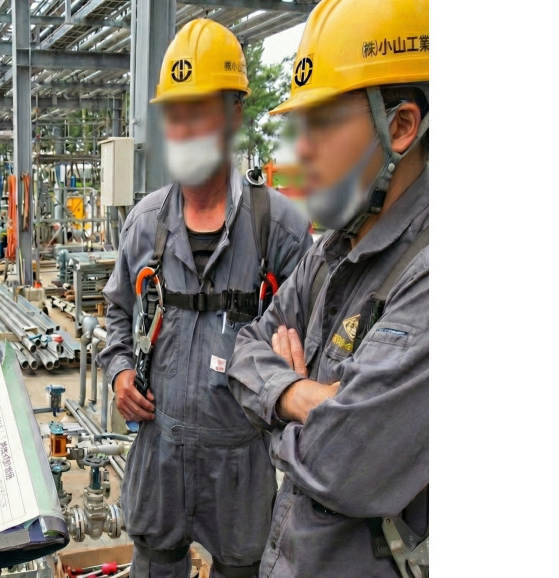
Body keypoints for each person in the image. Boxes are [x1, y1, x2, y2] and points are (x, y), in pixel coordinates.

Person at [97, 19, 313, 578]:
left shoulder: (279, 231)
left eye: (201, 113)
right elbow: (117, 312)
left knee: (241, 567)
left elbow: (310, 348)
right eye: (176, 115)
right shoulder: (146, 224)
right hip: (159, 453)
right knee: (154, 562)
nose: (186, 130)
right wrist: (120, 373)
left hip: (241, 463)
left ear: (235, 115)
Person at [226, 0, 429, 576]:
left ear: (401, 127)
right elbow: (244, 349)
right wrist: (300, 396)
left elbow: (340, 464)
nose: (301, 151)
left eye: (322, 125)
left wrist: (272, 407)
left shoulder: (431, 273)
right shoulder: (332, 250)